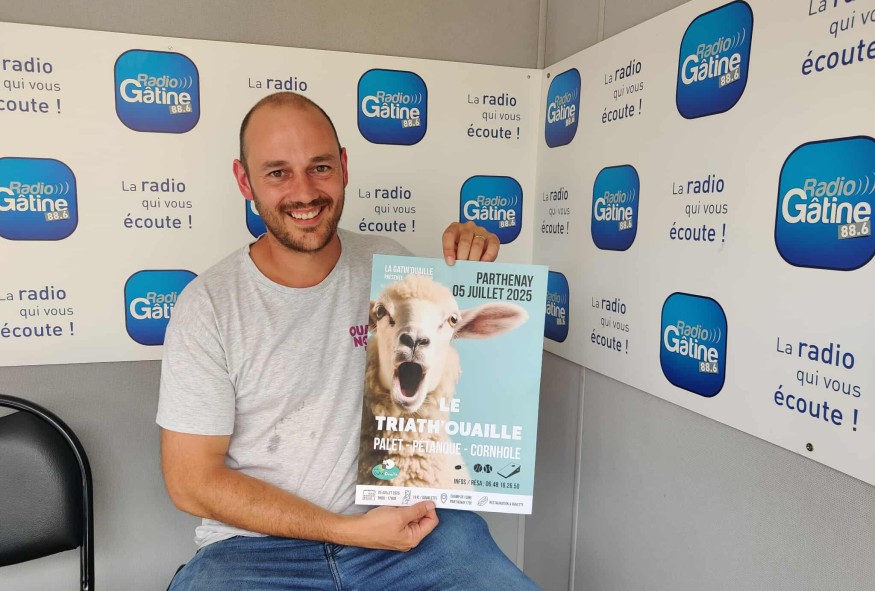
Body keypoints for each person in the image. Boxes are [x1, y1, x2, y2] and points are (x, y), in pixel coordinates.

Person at [157, 92, 540, 590]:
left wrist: (470, 268)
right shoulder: (208, 305)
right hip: (254, 552)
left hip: (405, 537)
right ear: (244, 181)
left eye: (319, 167)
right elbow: (192, 482)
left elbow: (454, 374)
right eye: (278, 173)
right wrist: (347, 530)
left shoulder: (392, 269)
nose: (304, 192)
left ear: (343, 166)